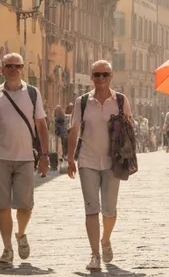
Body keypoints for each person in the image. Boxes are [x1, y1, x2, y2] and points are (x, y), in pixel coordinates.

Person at [0, 53, 50, 269]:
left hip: (25, 157)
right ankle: (7, 248)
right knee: (3, 206)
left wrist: (44, 155)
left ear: (22, 69)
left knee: (25, 205)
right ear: (2, 70)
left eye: (18, 66)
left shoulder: (33, 93)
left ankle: (21, 233)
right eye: (9, 66)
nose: (14, 69)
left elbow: (41, 125)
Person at [67, 60, 133, 272]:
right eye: (97, 74)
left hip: (113, 162)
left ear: (111, 76)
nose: (101, 78)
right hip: (87, 160)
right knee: (91, 208)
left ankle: (105, 240)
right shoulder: (82, 102)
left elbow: (130, 129)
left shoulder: (121, 100)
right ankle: (95, 255)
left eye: (105, 74)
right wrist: (69, 159)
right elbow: (74, 130)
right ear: (91, 77)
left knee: (110, 210)